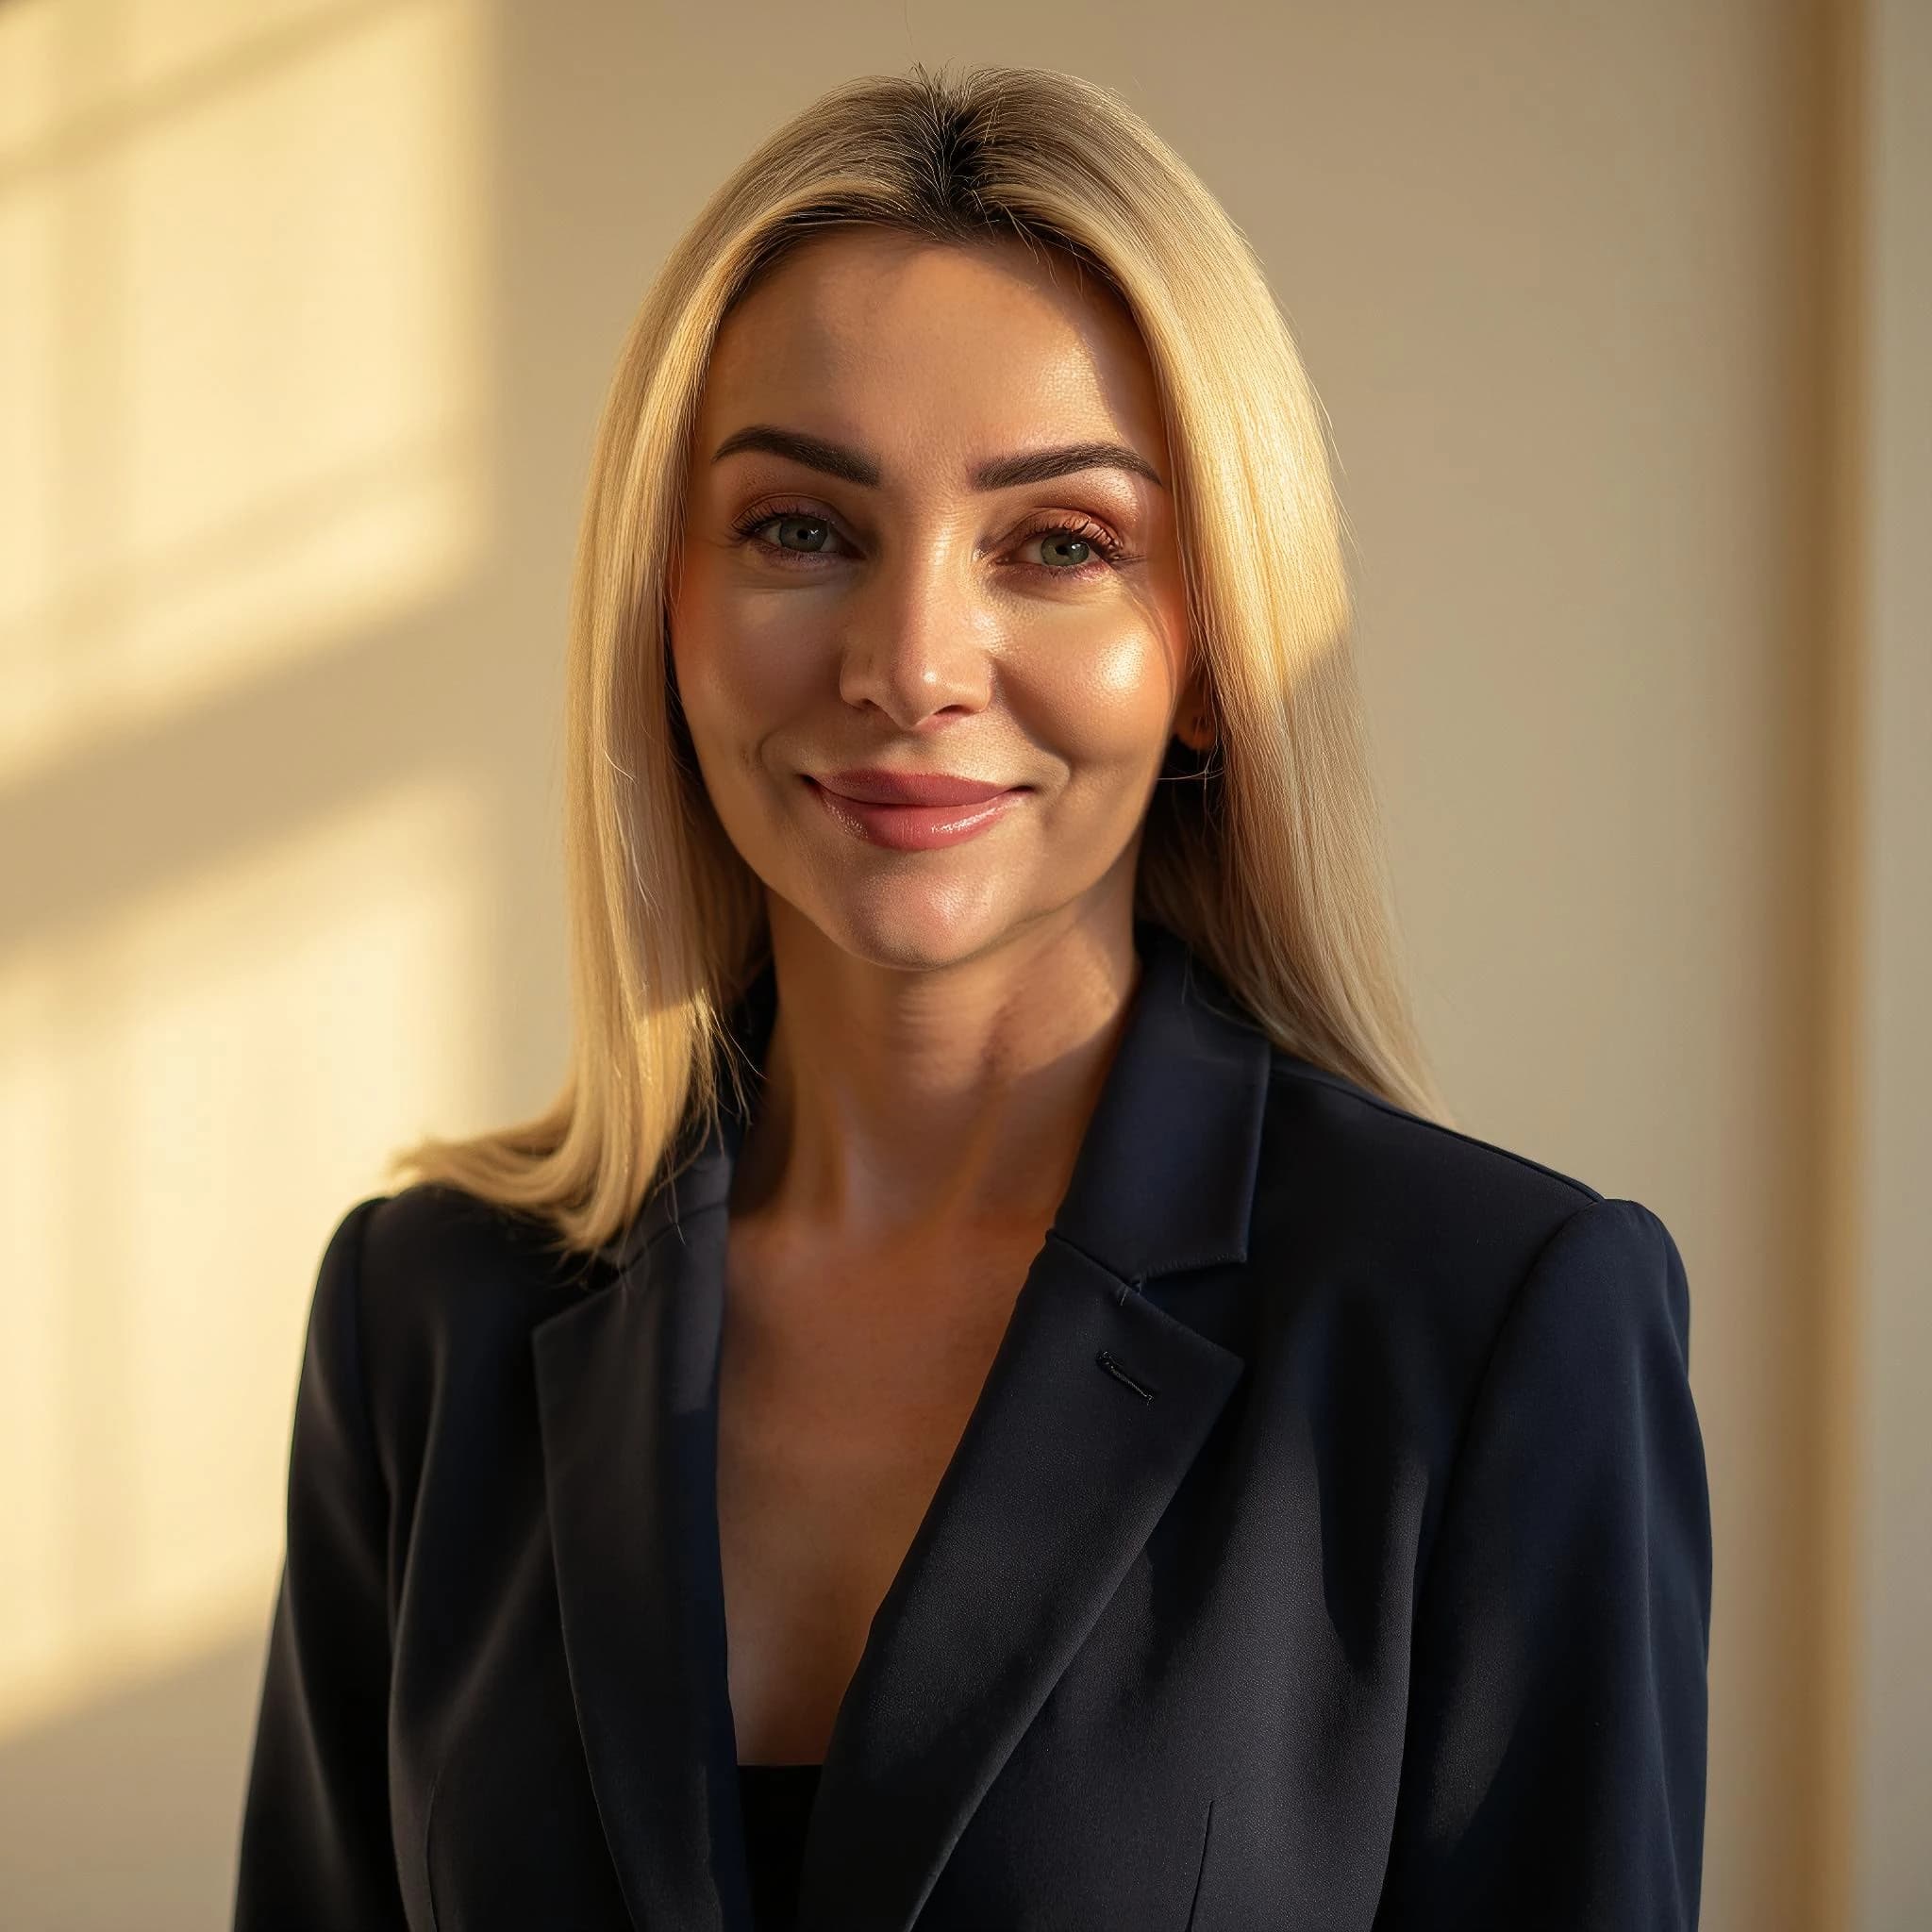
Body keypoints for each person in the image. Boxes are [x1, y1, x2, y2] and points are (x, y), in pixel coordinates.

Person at [233, 60, 1712, 1932]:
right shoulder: (418, 1320)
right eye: (798, 527)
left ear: (1205, 651)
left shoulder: (1489, 1333)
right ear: (660, 605)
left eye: (1060, 544)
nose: (912, 662)